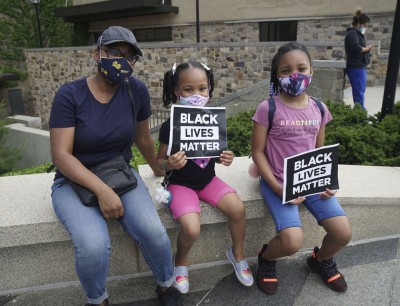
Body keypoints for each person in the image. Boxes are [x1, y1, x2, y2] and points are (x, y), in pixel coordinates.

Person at [49, 26, 182, 306]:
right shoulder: (69, 94)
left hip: (120, 173)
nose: (122, 60)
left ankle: (166, 284)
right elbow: (61, 155)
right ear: (97, 53)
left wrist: (160, 169)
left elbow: (143, 139)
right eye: (113, 52)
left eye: (129, 56)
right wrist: (102, 191)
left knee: (153, 232)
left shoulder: (135, 90)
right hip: (72, 181)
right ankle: (97, 300)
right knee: (93, 245)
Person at [251, 42, 352, 295]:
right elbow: (257, 152)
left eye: (301, 68)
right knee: (291, 242)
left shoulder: (319, 108)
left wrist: (326, 182)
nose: (294, 75)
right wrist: (276, 186)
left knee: (342, 233)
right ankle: (266, 258)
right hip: (278, 183)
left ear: (311, 71)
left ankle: (321, 259)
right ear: (277, 75)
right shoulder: (268, 108)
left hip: (311, 183)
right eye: (285, 70)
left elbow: (319, 152)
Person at [156, 61, 254, 294]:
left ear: (209, 88)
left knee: (238, 209)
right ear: (177, 91)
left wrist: (224, 158)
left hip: (208, 181)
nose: (197, 95)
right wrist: (169, 163)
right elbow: (159, 162)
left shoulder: (213, 120)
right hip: (181, 184)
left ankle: (237, 254)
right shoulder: (170, 125)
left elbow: (213, 154)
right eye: (188, 90)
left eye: (202, 88)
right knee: (191, 229)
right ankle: (180, 260)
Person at [344, 9, 375, 110]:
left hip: (359, 66)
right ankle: (360, 113)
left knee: (360, 90)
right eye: (365, 25)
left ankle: (360, 111)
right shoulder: (352, 34)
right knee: (359, 91)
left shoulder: (356, 34)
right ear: (359, 24)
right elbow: (355, 48)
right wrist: (368, 48)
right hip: (355, 66)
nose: (365, 27)